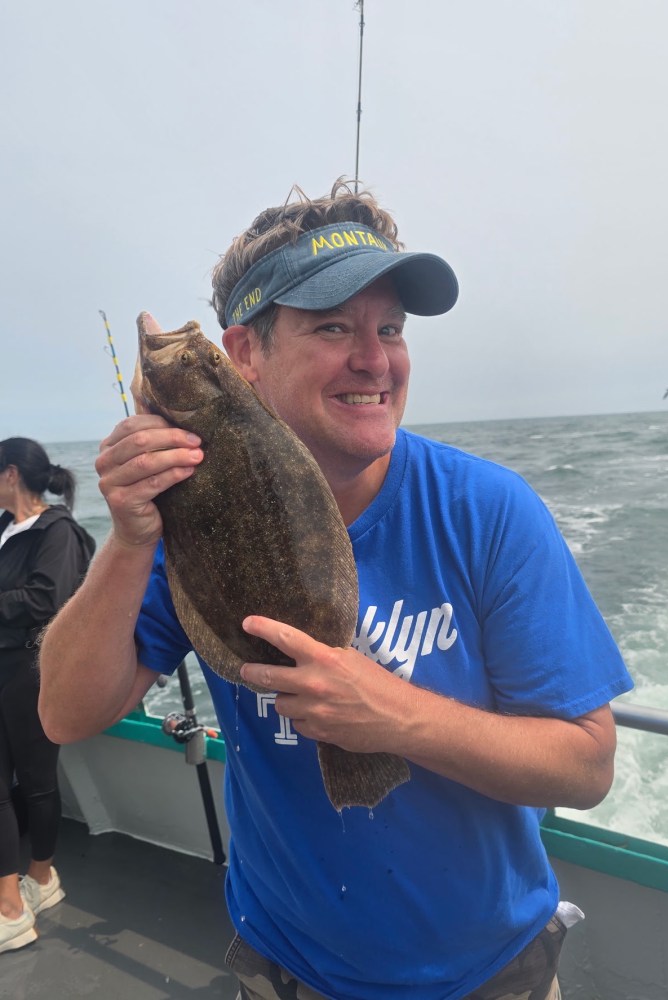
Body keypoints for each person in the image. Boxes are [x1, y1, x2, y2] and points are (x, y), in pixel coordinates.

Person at [39, 180, 633, 999]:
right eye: (331, 327)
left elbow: (586, 766)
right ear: (244, 354)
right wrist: (131, 540)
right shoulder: (187, 519)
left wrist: (395, 716)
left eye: (389, 328)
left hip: (493, 973)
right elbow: (66, 714)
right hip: (291, 970)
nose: (375, 358)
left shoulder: (487, 510)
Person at [0, 438, 95, 953]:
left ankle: (42, 877)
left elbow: (46, 599)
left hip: (32, 672)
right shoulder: (5, 529)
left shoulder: (57, 531)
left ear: (10, 474)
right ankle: (10, 903)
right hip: (0, 666)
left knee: (36, 782)